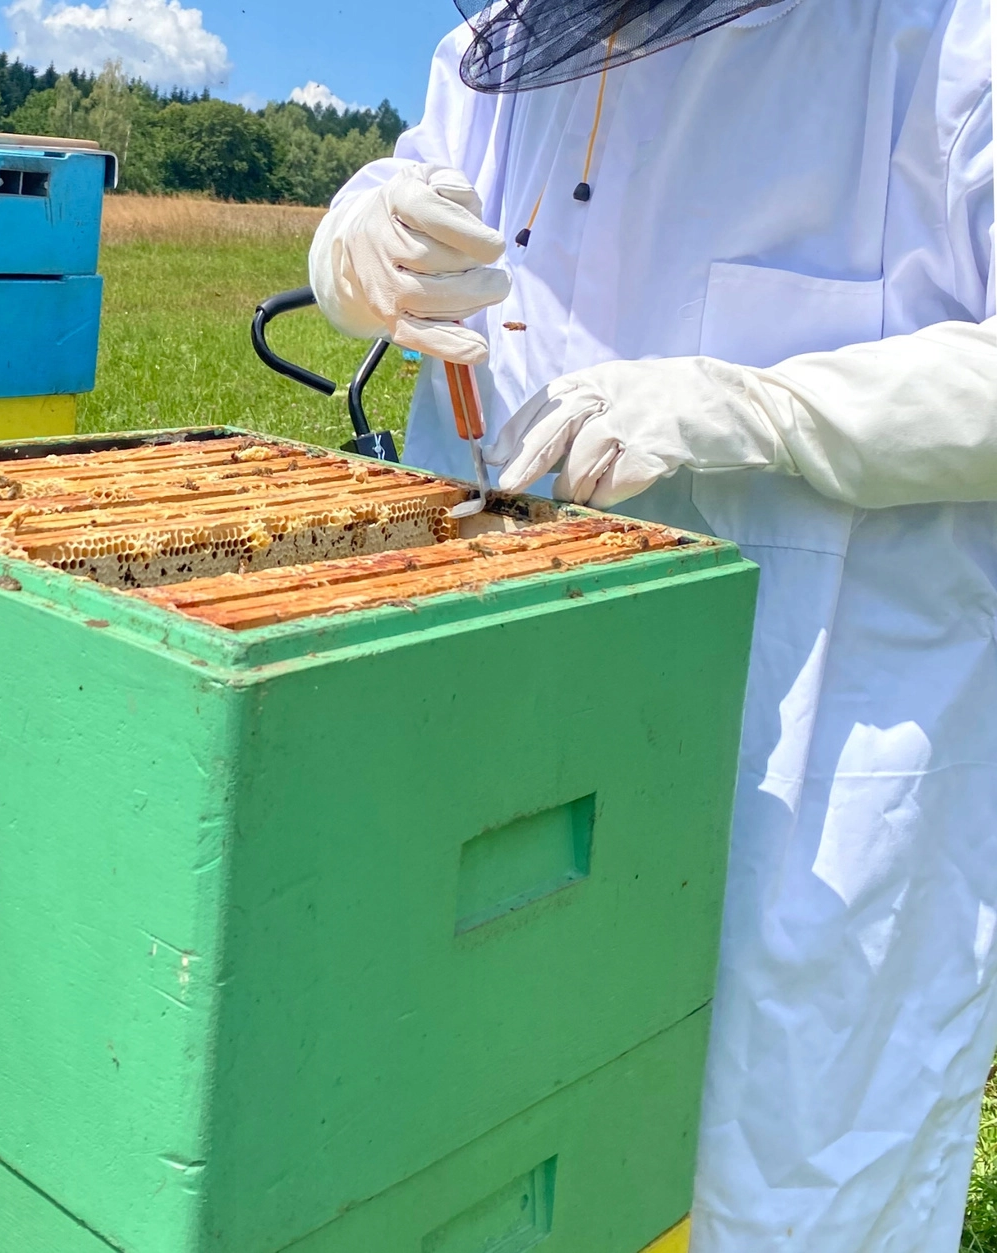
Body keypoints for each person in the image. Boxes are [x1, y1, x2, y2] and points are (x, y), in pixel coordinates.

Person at [309, 2, 995, 1249]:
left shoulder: (942, 41)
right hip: (495, 707)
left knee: (772, 1182)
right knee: (478, 1129)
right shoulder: (507, 45)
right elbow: (407, 193)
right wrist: (359, 245)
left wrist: (771, 410)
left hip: (807, 760)